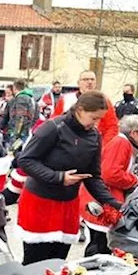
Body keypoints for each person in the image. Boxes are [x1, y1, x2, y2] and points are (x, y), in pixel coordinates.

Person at [16, 91, 122, 264]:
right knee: (35, 263)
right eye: (93, 118)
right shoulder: (53, 127)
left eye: (99, 119)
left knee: (58, 263)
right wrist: (58, 177)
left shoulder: (94, 136)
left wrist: (116, 204)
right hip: (40, 203)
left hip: (68, 205)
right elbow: (25, 160)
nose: (96, 123)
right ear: (79, 109)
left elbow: (93, 177)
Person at [80, 114, 138, 255]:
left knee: (100, 243)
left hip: (101, 200)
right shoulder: (122, 143)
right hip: (103, 202)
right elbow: (110, 174)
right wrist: (134, 180)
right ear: (134, 133)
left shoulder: (121, 142)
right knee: (100, 245)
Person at [76, 70, 119, 141]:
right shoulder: (67, 99)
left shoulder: (104, 101)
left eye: (92, 79)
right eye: (85, 79)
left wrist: (103, 145)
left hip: (93, 142)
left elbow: (112, 126)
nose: (89, 82)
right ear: (78, 83)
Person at [1, 79, 37, 152]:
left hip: (18, 133)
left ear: (14, 88)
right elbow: (35, 116)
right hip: (24, 131)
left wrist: (16, 134)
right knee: (16, 152)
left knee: (12, 152)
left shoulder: (21, 98)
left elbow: (21, 117)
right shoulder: (31, 98)